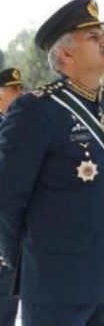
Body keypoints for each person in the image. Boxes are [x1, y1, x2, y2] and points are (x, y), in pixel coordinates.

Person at [0, 0, 104, 326]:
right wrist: (31, 261)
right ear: (66, 53)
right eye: (92, 37)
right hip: (56, 282)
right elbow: (7, 196)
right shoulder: (36, 109)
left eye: (103, 35)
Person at [0, 67, 24, 326]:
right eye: (14, 90)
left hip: (13, 223)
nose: (21, 94)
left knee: (9, 294)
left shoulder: (17, 126)